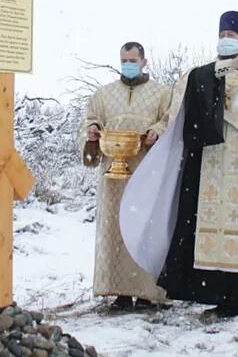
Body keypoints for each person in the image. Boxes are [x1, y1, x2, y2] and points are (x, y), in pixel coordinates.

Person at [119, 11, 238, 318]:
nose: (225, 40)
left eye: (231, 36)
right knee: (205, 229)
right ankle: (219, 295)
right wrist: (229, 68)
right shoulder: (207, 71)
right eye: (222, 35)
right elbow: (191, 85)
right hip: (210, 161)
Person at [78, 41, 172, 311]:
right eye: (124, 61)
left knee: (146, 228)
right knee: (116, 228)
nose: (128, 65)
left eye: (133, 60)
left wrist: (157, 131)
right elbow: (91, 118)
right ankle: (119, 292)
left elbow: (170, 119)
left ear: (144, 62)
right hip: (113, 175)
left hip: (147, 170)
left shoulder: (162, 93)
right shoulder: (103, 94)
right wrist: (92, 130)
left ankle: (147, 293)